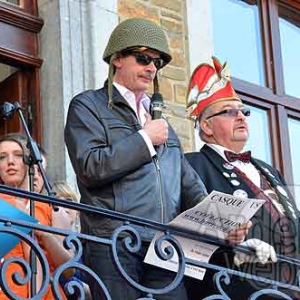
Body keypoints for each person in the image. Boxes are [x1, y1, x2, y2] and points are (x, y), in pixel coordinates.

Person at [64, 17, 211, 300]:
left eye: (157, 62)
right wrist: (144, 140)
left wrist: (222, 221)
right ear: (117, 58)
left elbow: (188, 186)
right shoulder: (88, 105)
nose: (151, 68)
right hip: (114, 241)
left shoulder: (161, 124)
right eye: (143, 57)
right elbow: (90, 166)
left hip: (164, 246)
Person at [184, 57, 300, 299]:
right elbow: (184, 237)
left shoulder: (268, 169)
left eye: (243, 111)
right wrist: (233, 249)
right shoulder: (192, 164)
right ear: (206, 126)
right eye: (230, 112)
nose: (241, 117)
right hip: (234, 290)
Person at [0, 133, 72, 299]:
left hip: (47, 294)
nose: (10, 161)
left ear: (30, 163)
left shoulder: (51, 208)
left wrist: (44, 234)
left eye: (18, 155)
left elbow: (69, 270)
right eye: (2, 157)